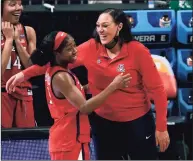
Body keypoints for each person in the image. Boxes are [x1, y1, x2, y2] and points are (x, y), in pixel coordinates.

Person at [6, 8, 170, 160]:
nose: (100, 30)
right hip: (105, 124)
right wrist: (23, 74)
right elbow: (53, 62)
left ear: (119, 27)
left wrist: (161, 127)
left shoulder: (138, 51)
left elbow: (157, 90)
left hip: (138, 123)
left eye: (105, 26)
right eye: (98, 26)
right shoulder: (91, 48)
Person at [7, 30, 131, 160]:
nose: (75, 50)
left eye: (74, 45)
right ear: (57, 53)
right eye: (69, 48)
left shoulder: (59, 71)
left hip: (69, 139)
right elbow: (84, 107)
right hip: (69, 141)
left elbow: (77, 93)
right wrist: (113, 86)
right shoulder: (61, 77)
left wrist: (101, 86)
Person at [1, 0, 36, 128]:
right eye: (12, 4)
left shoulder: (28, 32)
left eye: (20, 4)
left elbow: (32, 68)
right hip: (2, 94)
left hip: (25, 94)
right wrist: (9, 40)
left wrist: (17, 41)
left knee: (26, 143)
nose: (18, 8)